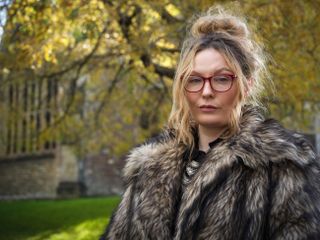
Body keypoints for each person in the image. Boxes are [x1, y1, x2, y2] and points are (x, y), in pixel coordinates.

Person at [101, 6, 320, 240]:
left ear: (247, 85)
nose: (206, 91)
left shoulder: (282, 165)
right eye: (195, 80)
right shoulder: (149, 168)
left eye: (222, 79)